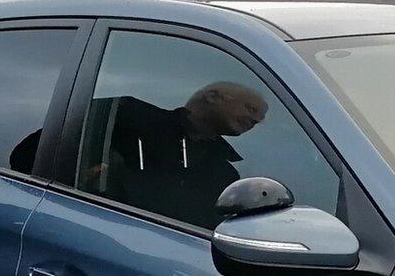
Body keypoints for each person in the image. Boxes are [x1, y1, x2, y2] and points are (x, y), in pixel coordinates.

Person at [84, 82, 267, 229]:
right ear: (212, 97)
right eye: (250, 109)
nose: (256, 120)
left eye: (260, 118)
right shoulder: (126, 116)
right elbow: (66, 132)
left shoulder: (225, 176)